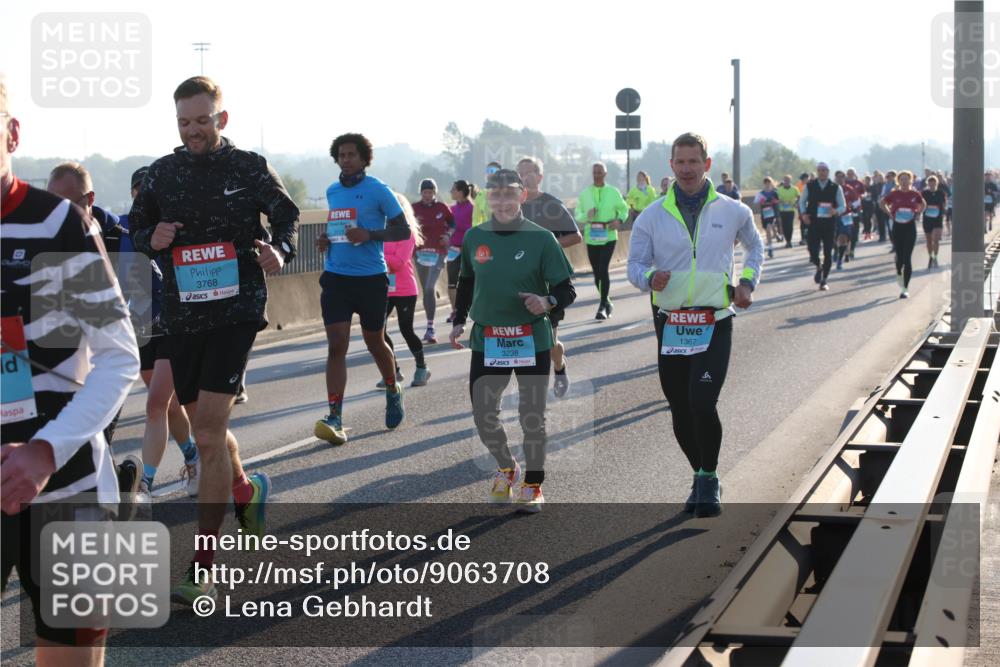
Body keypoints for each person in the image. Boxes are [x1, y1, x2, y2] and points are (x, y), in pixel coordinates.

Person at [129, 76, 298, 604]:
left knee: (205, 431)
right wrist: (149, 239)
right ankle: (246, 489)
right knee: (205, 424)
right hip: (182, 316)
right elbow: (136, 230)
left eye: (202, 120)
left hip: (237, 309)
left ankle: (203, 565)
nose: (193, 130)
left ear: (221, 119)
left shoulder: (247, 166)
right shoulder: (163, 172)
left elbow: (287, 214)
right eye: (184, 122)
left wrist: (282, 249)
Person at [2, 75, 140, 667]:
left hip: (66, 483)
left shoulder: (59, 224)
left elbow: (119, 357)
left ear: (11, 133)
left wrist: (45, 450)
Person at [627, 132, 763, 518]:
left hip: (715, 319)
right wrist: (648, 277)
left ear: (706, 163)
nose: (687, 169)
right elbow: (635, 264)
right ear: (671, 166)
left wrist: (748, 282)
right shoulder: (652, 215)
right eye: (680, 162)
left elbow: (755, 247)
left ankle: (709, 477)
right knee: (679, 407)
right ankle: (699, 473)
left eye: (694, 161)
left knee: (702, 401)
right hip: (670, 323)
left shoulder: (733, 210)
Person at [449, 168, 576, 513]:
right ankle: (507, 468)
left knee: (531, 416)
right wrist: (459, 319)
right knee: (483, 413)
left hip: (530, 338)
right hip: (489, 338)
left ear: (522, 196)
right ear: (488, 198)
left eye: (510, 194)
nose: (503, 201)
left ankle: (533, 485)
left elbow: (567, 289)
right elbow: (467, 281)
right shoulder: (475, 237)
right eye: (496, 195)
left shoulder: (542, 239)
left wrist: (546, 301)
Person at [45, 161, 142, 499]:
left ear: (89, 198)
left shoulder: (117, 236)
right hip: (61, 366)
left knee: (94, 441)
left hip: (107, 357)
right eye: (51, 201)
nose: (58, 210)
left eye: (67, 202)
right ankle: (120, 483)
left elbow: (145, 281)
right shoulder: (40, 238)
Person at [312, 132, 409, 447]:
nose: (346, 160)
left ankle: (393, 389)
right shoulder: (332, 191)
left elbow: (402, 229)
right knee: (336, 345)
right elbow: (337, 228)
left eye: (352, 154)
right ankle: (334, 416)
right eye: (341, 155)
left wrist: (370, 235)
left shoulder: (378, 190)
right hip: (336, 276)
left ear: (364, 158)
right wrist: (326, 240)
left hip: (370, 278)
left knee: (374, 341)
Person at [119, 167, 199, 502]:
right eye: (138, 190)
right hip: (139, 326)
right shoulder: (119, 227)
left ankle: (145, 485)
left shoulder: (177, 227)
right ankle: (195, 459)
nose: (142, 196)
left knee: (155, 404)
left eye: (148, 190)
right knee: (168, 405)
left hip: (174, 322)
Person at [516, 156, 583, 398]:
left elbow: (576, 236)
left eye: (530, 172)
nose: (524, 176)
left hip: (549, 283)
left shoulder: (552, 205)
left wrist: (548, 245)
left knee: (549, 342)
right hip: (520, 283)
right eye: (520, 172)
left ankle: (559, 365)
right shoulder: (512, 205)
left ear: (540, 177)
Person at [381, 193, 431, 387]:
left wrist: (380, 257)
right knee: (378, 332)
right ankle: (392, 370)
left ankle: (422, 367)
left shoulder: (407, 233)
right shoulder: (382, 231)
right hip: (384, 288)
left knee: (406, 329)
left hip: (405, 289)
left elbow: (399, 262)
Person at [575, 162, 627, 319]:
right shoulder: (585, 194)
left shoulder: (613, 192)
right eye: (594, 172)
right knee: (597, 273)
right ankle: (608, 301)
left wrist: (619, 220)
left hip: (609, 235)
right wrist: (587, 215)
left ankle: (602, 306)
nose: (597, 174)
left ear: (605, 174)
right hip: (592, 235)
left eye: (600, 172)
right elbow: (578, 214)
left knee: (603, 268)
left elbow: (624, 209)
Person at [411, 178, 455, 344]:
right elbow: (407, 225)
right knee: (426, 289)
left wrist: (448, 235)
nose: (427, 195)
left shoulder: (442, 208)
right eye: (424, 192)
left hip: (438, 253)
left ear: (434, 193)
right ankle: (430, 325)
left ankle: (430, 328)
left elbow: (452, 223)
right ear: (421, 193)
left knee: (430, 287)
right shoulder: (414, 208)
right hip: (421, 253)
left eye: (430, 192)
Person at [799, 162, 846, 291]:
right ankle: (818, 266)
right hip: (813, 222)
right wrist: (803, 214)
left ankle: (824, 279)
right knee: (812, 249)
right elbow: (802, 201)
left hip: (829, 223)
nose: (822, 173)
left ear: (828, 172)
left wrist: (836, 211)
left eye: (824, 170)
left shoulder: (835, 187)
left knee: (828, 252)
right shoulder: (810, 186)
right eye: (819, 170)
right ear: (817, 171)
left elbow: (843, 206)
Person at [882, 170, 925, 298]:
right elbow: (881, 203)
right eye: (902, 179)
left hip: (910, 227)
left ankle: (905, 288)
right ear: (898, 181)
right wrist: (890, 213)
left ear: (910, 180)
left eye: (907, 179)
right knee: (899, 259)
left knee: (907, 258)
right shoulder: (894, 194)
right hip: (897, 227)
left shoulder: (915, 194)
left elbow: (923, 204)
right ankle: (898, 271)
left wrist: (918, 213)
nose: (904, 181)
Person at [445, 179, 475, 323]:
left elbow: (473, 229)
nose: (450, 192)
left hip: (468, 251)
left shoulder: (472, 208)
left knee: (471, 281)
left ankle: (474, 308)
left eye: (453, 189)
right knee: (452, 283)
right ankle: (455, 311)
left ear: (461, 192)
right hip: (452, 251)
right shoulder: (450, 209)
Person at [921, 174, 946, 269]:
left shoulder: (941, 193)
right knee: (929, 240)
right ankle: (930, 257)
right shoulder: (924, 193)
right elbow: (920, 204)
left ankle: (935, 256)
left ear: (937, 184)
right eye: (930, 184)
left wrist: (944, 212)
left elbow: (944, 204)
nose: (932, 185)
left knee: (935, 239)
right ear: (928, 184)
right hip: (927, 219)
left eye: (934, 184)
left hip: (938, 219)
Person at [834, 170, 857, 270]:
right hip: (834, 216)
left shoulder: (849, 189)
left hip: (846, 216)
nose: (840, 178)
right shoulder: (832, 188)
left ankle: (839, 260)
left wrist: (852, 205)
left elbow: (857, 200)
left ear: (844, 178)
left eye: (842, 177)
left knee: (844, 237)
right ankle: (836, 250)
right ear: (835, 178)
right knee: (834, 238)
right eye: (838, 177)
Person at [754, 177, 781, 259]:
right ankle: (775, 237)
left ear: (771, 183)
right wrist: (760, 202)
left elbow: (779, 201)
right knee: (769, 229)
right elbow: (755, 203)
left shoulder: (774, 193)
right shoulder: (761, 194)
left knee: (769, 228)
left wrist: (775, 202)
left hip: (773, 214)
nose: (767, 183)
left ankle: (770, 248)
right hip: (765, 214)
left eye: (768, 182)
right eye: (765, 182)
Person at [844, 168, 866, 258]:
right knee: (845, 231)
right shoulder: (843, 184)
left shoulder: (859, 183)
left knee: (854, 230)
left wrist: (859, 199)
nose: (850, 175)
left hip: (856, 209)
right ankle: (845, 248)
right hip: (844, 211)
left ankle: (852, 249)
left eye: (851, 173)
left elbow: (864, 193)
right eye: (848, 173)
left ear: (854, 174)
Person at [472, 161, 501, 227]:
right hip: (486, 234)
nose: (490, 174)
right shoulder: (480, 195)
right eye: (488, 171)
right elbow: (476, 221)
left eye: (493, 171)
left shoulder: (507, 192)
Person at [776, 174, 799, 248]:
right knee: (785, 226)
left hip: (791, 210)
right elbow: (776, 199)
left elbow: (799, 197)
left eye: (788, 180)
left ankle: (789, 241)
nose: (787, 181)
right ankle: (787, 240)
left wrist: (795, 203)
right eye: (785, 180)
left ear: (790, 181)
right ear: (783, 181)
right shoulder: (779, 189)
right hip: (782, 210)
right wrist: (779, 201)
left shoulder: (794, 189)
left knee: (790, 225)